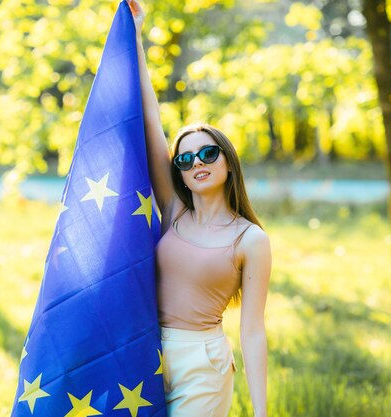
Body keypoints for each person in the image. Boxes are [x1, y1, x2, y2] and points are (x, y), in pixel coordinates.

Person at [127, 1, 272, 416]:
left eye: (207, 153)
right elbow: (151, 120)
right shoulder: (174, 210)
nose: (197, 164)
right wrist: (136, 35)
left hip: (203, 363)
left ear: (228, 160)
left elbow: (253, 330)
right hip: (148, 351)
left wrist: (261, 412)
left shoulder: (251, 239)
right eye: (185, 159)